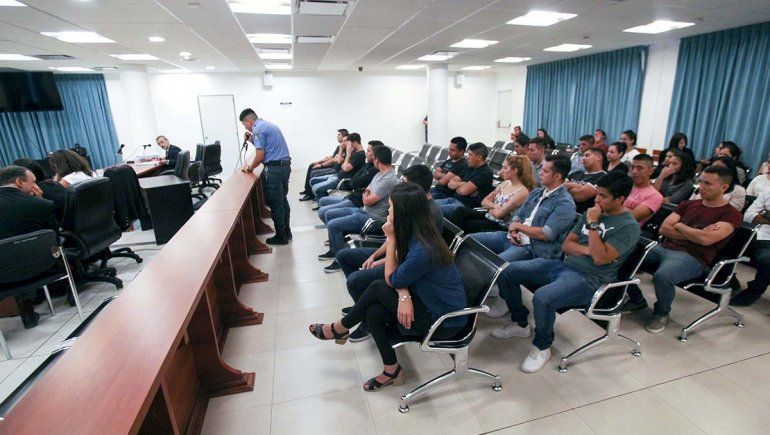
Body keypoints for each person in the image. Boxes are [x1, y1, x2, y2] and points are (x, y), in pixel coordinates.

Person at [308, 183, 466, 391]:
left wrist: (391, 238)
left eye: (391, 207)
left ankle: (340, 328)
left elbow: (392, 278)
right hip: (427, 299)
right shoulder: (417, 232)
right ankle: (392, 370)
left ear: (403, 212)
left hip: (444, 321)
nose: (388, 210)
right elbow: (400, 272)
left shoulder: (423, 248)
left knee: (377, 287)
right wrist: (403, 294)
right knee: (373, 312)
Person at [492, 172, 640, 373]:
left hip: (590, 280)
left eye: (603, 196)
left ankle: (542, 347)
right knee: (506, 271)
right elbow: (567, 245)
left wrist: (593, 225)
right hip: (563, 265)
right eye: (597, 193)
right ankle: (520, 323)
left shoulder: (628, 226)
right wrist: (589, 250)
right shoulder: (591, 212)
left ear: (620, 199)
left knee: (543, 297)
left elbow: (599, 259)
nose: (596, 200)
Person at [621, 166, 743, 333]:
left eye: (708, 183)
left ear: (724, 187)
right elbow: (664, 229)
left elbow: (706, 240)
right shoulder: (688, 204)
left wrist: (680, 226)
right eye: (701, 182)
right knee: (622, 256)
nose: (701, 187)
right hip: (665, 247)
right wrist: (696, 233)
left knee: (663, 276)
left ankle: (662, 312)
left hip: (693, 257)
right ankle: (636, 299)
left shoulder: (731, 214)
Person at [333, 165, 443, 339]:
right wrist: (375, 255)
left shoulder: (427, 214)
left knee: (355, 280)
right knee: (344, 256)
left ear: (415, 187)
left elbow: (411, 253)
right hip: (396, 252)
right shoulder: (410, 203)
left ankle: (364, 320)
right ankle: (362, 306)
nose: (400, 185)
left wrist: (380, 262)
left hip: (403, 259)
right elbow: (396, 235)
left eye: (404, 182)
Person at [0, 165, 60, 329]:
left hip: (3, 274)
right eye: (33, 182)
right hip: (44, 266)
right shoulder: (40, 205)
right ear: (19, 182)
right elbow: (54, 233)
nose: (36, 186)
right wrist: (40, 199)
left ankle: (27, 313)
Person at [318, 146, 398, 265]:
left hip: (370, 218)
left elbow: (368, 201)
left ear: (377, 160)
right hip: (362, 210)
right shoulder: (379, 174)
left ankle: (339, 260)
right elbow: (367, 189)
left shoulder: (388, 179)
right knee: (329, 214)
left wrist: (366, 195)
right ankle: (335, 247)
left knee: (333, 225)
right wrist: (367, 194)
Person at [239, 108, 292, 245]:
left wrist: (250, 168)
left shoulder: (257, 129)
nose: (246, 128)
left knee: (275, 203)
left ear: (249, 121)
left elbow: (260, 155)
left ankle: (281, 236)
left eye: (244, 124)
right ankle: (287, 232)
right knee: (282, 200)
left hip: (273, 170)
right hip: (284, 167)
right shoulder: (269, 125)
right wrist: (252, 141)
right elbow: (268, 148)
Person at [449, 154, 534, 234]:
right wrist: (495, 206)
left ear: (515, 171)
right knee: (460, 211)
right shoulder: (505, 183)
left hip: (500, 225)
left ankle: (450, 241)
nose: (502, 171)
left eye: (505, 168)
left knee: (469, 224)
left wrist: (489, 208)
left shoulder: (522, 192)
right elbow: (484, 201)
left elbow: (499, 214)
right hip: (489, 216)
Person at [316, 141, 381, 223]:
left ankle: (337, 226)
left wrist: (348, 153)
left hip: (354, 199)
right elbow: (346, 173)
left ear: (375, 155)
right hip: (350, 193)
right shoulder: (367, 164)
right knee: (322, 200)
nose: (366, 153)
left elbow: (352, 180)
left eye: (368, 151)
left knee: (323, 211)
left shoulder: (372, 168)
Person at [730, 189, 770, 306]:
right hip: (763, 235)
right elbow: (748, 215)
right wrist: (767, 218)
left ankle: (755, 290)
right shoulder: (768, 192)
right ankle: (727, 276)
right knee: (730, 238)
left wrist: (765, 214)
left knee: (767, 258)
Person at [433, 142, 494, 218]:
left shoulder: (485, 173)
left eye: (470, 155)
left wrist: (459, 186)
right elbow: (450, 183)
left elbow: (463, 191)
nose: (467, 157)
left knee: (432, 210)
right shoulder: (469, 167)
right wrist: (465, 184)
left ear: (479, 157)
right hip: (453, 199)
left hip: (465, 207)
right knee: (426, 204)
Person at [311, 133, 366, 201]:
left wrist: (348, 154)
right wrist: (345, 161)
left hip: (342, 181)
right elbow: (341, 165)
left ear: (354, 143)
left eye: (348, 143)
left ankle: (324, 202)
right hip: (337, 176)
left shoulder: (359, 155)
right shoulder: (354, 152)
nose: (347, 145)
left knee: (316, 188)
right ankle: (324, 200)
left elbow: (345, 168)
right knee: (313, 181)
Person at [300, 129, 348, 201]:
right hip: (332, 165)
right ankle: (307, 189)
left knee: (314, 173)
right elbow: (332, 157)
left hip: (334, 168)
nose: (337, 136)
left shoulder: (344, 149)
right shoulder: (339, 147)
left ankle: (311, 194)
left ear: (344, 136)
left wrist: (321, 165)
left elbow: (334, 159)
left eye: (339, 135)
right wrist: (319, 162)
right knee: (312, 165)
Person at [624, 154, 663, 226]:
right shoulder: (625, 185)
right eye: (632, 167)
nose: (634, 171)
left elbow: (629, 217)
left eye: (639, 168)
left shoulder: (655, 196)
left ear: (650, 171)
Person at [566, 148, 607, 213]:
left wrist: (569, 186)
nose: (583, 158)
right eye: (583, 156)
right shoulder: (576, 173)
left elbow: (580, 196)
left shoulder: (603, 176)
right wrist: (580, 187)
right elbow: (559, 186)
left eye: (587, 155)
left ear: (598, 157)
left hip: (582, 215)